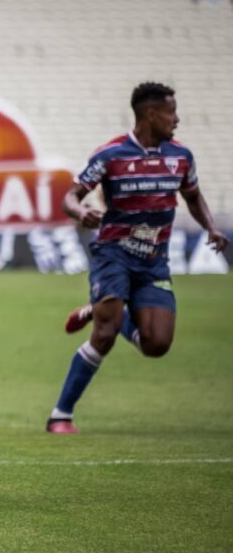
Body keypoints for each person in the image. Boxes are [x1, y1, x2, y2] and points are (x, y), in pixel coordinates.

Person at [47, 82, 228, 434]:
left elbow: (193, 196)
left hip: (154, 261)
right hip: (114, 253)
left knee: (157, 344)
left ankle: (103, 308)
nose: (177, 119)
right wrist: (79, 211)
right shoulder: (111, 155)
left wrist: (210, 227)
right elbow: (71, 196)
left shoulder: (181, 157)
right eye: (171, 112)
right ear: (150, 114)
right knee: (104, 333)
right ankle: (60, 415)